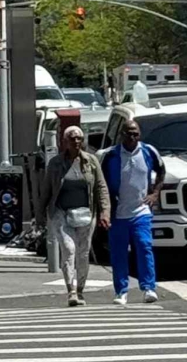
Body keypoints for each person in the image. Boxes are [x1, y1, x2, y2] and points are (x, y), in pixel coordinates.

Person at [40, 125, 111, 306]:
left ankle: (80, 289)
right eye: (72, 138)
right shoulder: (55, 164)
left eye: (79, 138)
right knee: (69, 248)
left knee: (83, 252)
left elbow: (101, 187)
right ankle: (71, 290)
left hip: (86, 213)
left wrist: (105, 212)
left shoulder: (91, 161)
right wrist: (40, 213)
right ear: (65, 142)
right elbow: (46, 189)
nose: (76, 141)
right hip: (61, 212)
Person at [100, 118, 166, 306]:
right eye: (128, 134)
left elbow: (161, 171)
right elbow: (101, 183)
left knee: (144, 246)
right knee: (119, 253)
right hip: (118, 214)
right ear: (122, 135)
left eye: (135, 134)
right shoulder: (111, 156)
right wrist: (104, 210)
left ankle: (149, 288)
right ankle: (121, 291)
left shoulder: (148, 151)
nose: (132, 137)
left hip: (141, 212)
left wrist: (154, 194)